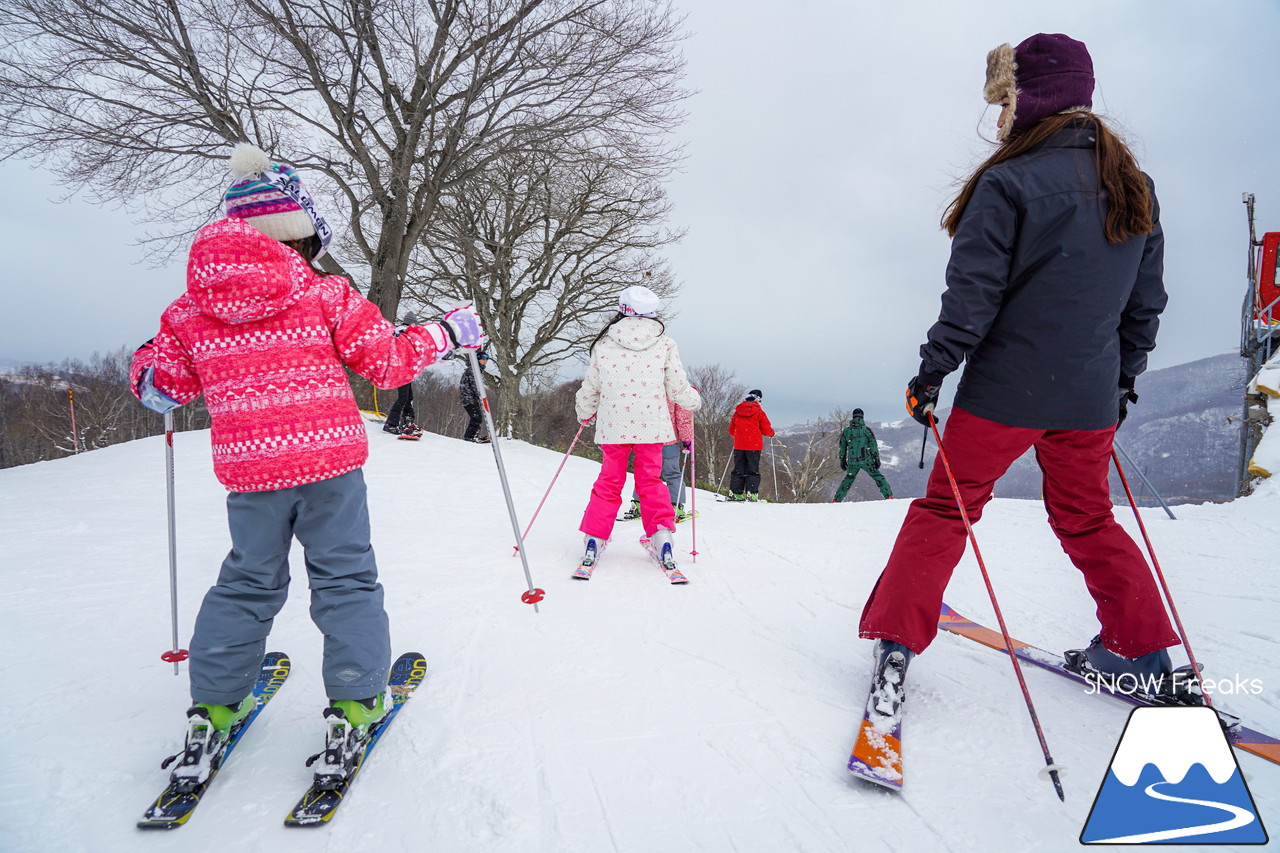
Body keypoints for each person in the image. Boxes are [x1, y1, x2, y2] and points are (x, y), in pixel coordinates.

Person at [130, 142, 484, 783]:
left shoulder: (190, 311)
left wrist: (151, 354)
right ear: (300, 233)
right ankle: (354, 702)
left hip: (250, 474)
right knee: (345, 580)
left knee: (246, 582)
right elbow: (388, 363)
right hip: (330, 470)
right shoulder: (324, 295)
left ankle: (211, 707)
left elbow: (162, 390)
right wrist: (449, 333)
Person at [858, 34, 1188, 704]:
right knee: (1089, 519)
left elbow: (971, 298)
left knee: (946, 510)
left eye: (1007, 99)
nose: (1002, 114)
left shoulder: (1008, 182)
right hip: (1089, 397)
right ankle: (1144, 655)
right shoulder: (1133, 185)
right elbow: (1144, 302)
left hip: (1005, 392)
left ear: (1033, 95)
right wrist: (1123, 377)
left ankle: (895, 649)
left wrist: (931, 373)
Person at [575, 284, 701, 570]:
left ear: (622, 309)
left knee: (609, 481)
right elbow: (677, 385)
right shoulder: (664, 343)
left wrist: (585, 412)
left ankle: (595, 538)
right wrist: (692, 401)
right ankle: (661, 537)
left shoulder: (604, 344)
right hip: (651, 426)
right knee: (651, 481)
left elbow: (591, 386)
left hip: (613, 426)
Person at [621, 398, 695, 522]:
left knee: (646, 473)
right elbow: (683, 418)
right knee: (672, 473)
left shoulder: (648, 384)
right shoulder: (676, 391)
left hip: (648, 439)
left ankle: (638, 504)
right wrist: (687, 439)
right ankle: (675, 505)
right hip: (668, 439)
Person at [833, 408, 893, 501]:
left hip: (852, 461)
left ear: (853, 417)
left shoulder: (847, 431)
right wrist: (876, 459)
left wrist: (842, 460)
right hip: (866, 460)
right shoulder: (867, 430)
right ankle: (888, 495)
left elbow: (843, 447)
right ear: (862, 417)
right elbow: (873, 446)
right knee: (878, 477)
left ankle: (837, 499)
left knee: (848, 480)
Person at [727, 389, 774, 502]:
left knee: (738, 469)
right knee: (752, 470)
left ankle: (736, 493)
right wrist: (772, 434)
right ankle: (751, 494)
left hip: (739, 445)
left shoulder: (737, 412)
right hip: (754, 446)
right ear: (758, 399)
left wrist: (740, 437)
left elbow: (731, 430)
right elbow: (766, 429)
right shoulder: (759, 412)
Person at [382, 312, 423, 438]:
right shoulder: (407, 332)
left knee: (408, 397)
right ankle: (391, 424)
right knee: (404, 397)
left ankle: (408, 422)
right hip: (403, 368)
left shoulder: (397, 331)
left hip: (400, 368)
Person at [459, 349, 491, 443]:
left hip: (471, 397)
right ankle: (469, 436)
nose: (485, 361)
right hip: (468, 397)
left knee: (477, 417)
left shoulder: (477, 370)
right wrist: (481, 399)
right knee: (476, 417)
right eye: (482, 359)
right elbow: (475, 386)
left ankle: (475, 435)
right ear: (477, 360)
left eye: (486, 360)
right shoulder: (474, 370)